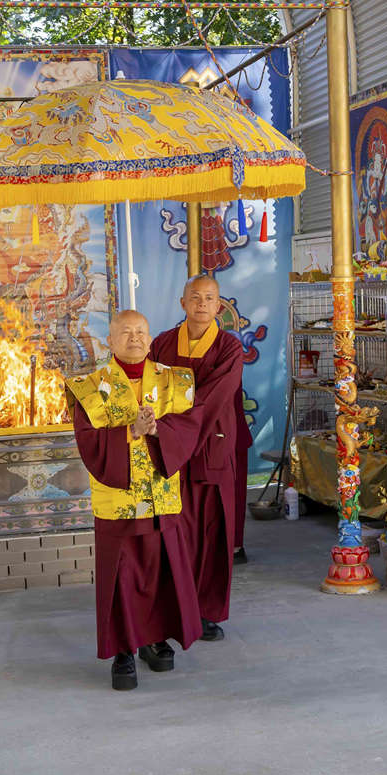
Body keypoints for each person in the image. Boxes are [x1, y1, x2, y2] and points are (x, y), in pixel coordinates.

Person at [68, 310, 204, 691]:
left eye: (141, 331)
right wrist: (130, 431)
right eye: (125, 332)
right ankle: (123, 651)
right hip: (119, 501)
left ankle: (155, 639)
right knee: (122, 578)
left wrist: (159, 430)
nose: (134, 338)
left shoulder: (174, 380)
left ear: (150, 338)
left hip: (161, 496)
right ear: (110, 341)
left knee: (161, 571)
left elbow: (190, 427)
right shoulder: (90, 387)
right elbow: (88, 441)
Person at [151, 274, 251, 642]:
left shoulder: (229, 347)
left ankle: (206, 611)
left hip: (210, 445)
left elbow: (214, 397)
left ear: (219, 305)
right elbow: (149, 388)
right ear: (183, 303)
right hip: (168, 449)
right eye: (195, 297)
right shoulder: (162, 342)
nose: (202, 304)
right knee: (174, 530)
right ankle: (172, 607)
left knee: (212, 532)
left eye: (210, 298)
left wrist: (173, 429)